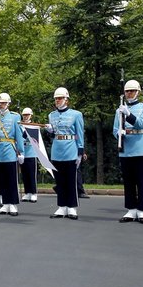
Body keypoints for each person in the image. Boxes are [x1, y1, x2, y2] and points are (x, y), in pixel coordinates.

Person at [113, 79, 143, 224]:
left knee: (141, 180)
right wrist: (120, 134)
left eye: (132, 91)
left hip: (140, 147)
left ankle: (142, 210)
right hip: (125, 147)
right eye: (127, 91)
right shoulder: (119, 109)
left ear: (138, 92)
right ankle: (131, 209)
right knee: (128, 181)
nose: (129, 93)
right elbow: (114, 129)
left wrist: (129, 114)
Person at [47, 87, 85, 220]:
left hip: (70, 149)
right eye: (56, 98)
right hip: (57, 149)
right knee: (60, 181)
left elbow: (80, 134)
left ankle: (72, 207)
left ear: (66, 99)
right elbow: (53, 135)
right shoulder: (51, 115)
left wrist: (80, 152)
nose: (58, 100)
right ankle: (62, 206)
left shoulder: (76, 114)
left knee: (71, 180)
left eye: (60, 98)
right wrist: (50, 131)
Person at [0, 93, 25, 216]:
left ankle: (13, 204)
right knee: (1, 179)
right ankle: (5, 204)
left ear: (8, 103)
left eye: (3, 103)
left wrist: (21, 151)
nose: (1, 105)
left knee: (11, 179)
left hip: (10, 150)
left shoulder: (15, 117)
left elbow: (19, 135)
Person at [19, 107, 39, 203]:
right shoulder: (20, 125)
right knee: (24, 174)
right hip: (23, 153)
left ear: (31, 115)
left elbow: (35, 139)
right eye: (24, 115)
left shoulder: (34, 126)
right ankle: (27, 193)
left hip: (31, 153)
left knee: (31, 174)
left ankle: (33, 193)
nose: (26, 116)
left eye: (27, 115)